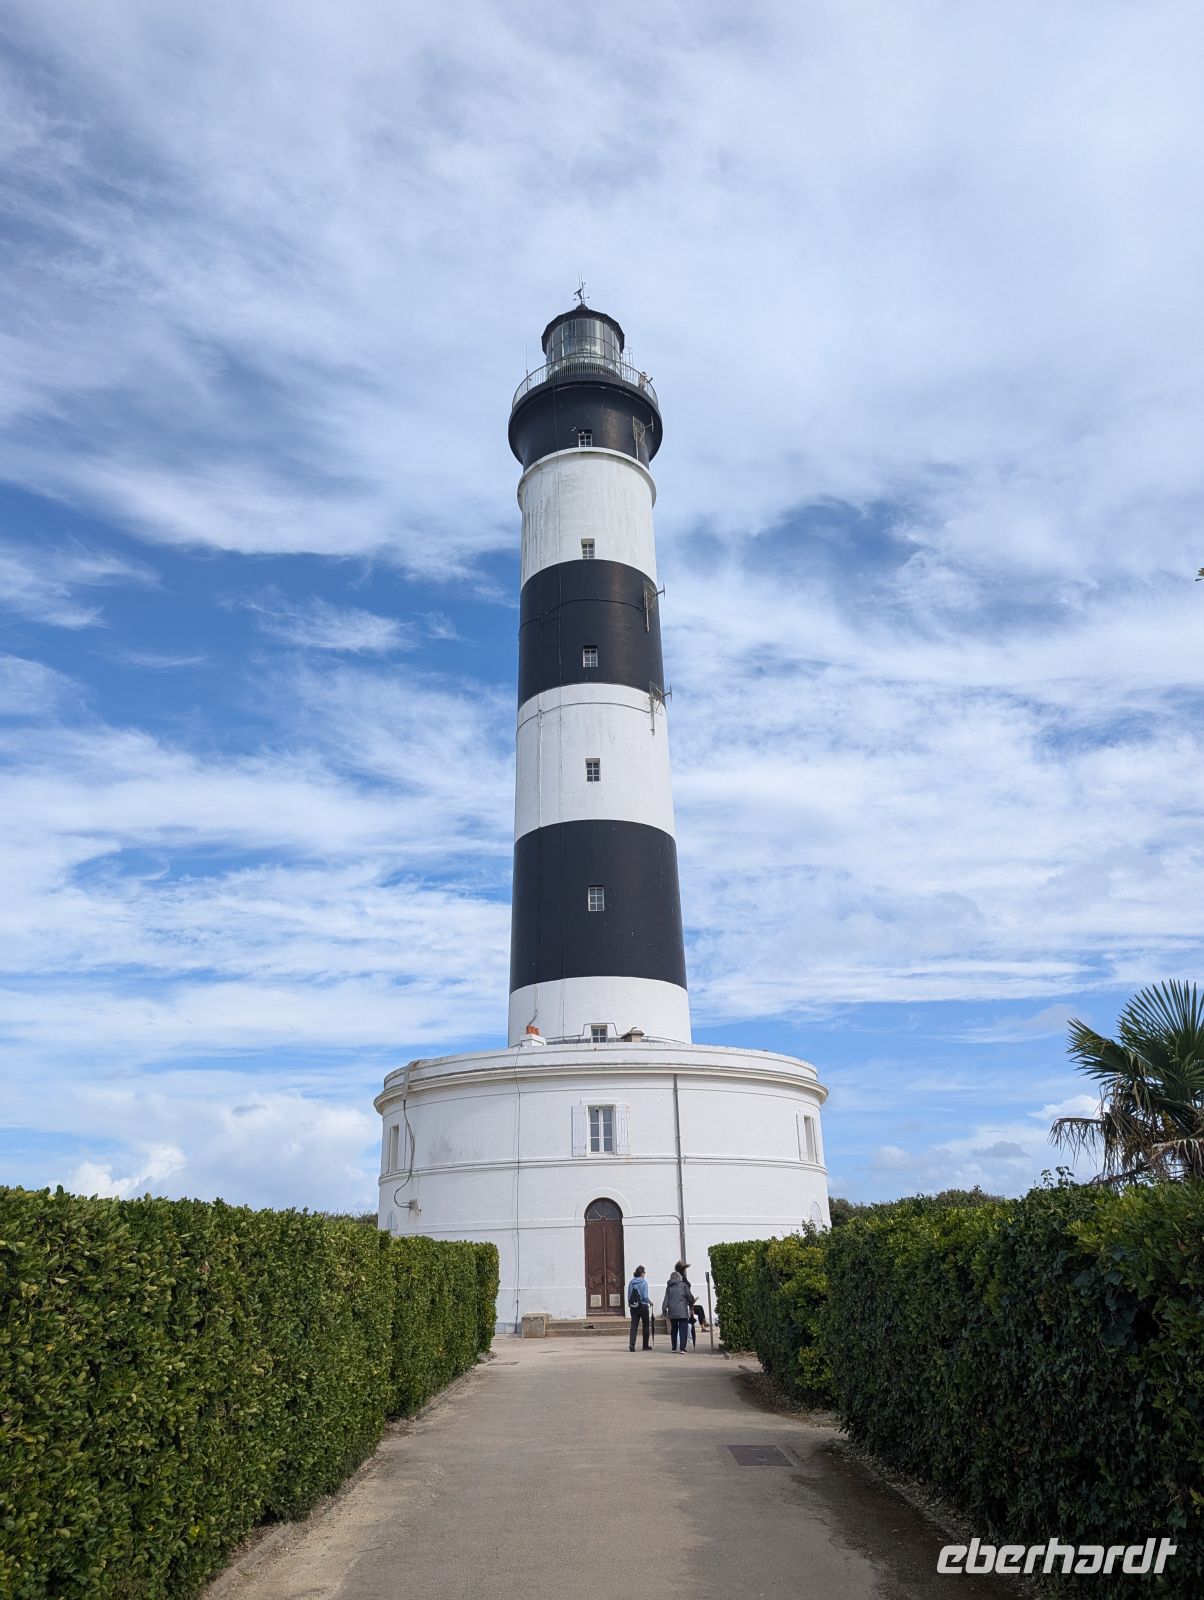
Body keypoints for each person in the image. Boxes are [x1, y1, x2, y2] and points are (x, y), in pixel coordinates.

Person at [662, 1260, 693, 1352]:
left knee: (674, 1330)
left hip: (672, 1312)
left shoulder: (668, 1287)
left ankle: (673, 1348)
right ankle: (682, 1348)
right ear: (680, 1277)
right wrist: (691, 1302)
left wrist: (664, 1310)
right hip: (682, 1311)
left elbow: (666, 1299)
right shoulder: (683, 1285)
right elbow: (689, 1296)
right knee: (683, 1329)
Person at [627, 1265, 651, 1350]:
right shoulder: (644, 1282)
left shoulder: (631, 1282)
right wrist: (650, 1302)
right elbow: (645, 1297)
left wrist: (630, 1304)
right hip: (643, 1306)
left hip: (634, 1306)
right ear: (642, 1273)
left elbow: (629, 1296)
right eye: (644, 1272)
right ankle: (645, 1345)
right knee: (646, 1326)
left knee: (634, 1326)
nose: (644, 1274)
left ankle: (632, 1344)